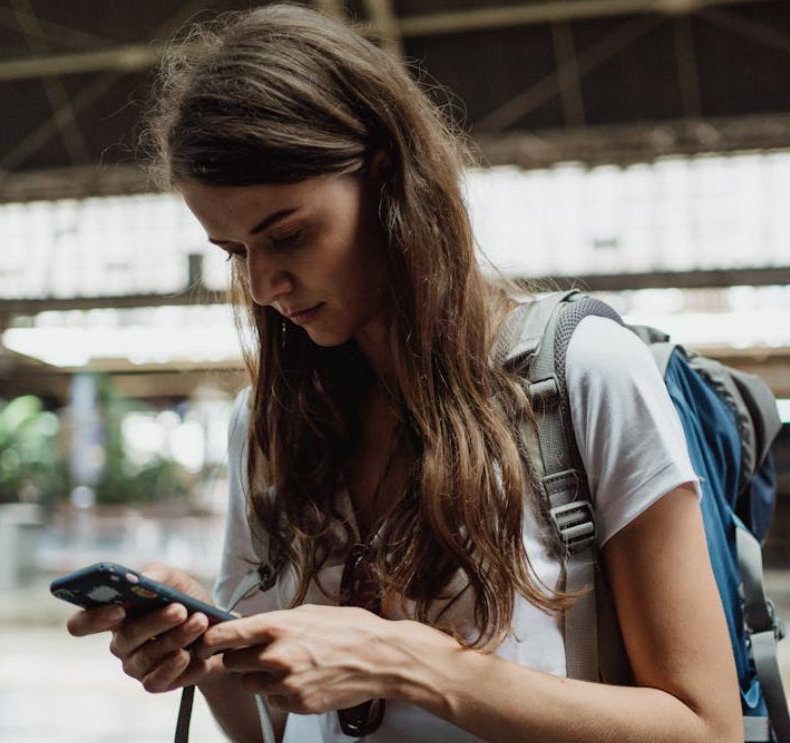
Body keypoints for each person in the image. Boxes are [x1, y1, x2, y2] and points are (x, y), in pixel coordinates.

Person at [65, 5, 741, 741]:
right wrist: (209, 650)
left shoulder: (577, 374)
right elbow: (267, 730)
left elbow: (705, 728)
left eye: (287, 235)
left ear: (387, 179)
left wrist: (409, 661)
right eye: (234, 252)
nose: (262, 286)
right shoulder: (264, 424)